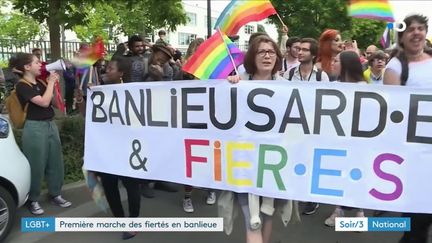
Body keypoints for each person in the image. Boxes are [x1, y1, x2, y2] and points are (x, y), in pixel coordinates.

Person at [227, 35, 300, 243]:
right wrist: (230, 86)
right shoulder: (239, 81)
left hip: (274, 163)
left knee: (267, 215)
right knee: (252, 219)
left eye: (271, 52)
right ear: (252, 56)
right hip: (244, 162)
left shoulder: (287, 87)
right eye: (261, 52)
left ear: (277, 57)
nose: (267, 56)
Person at [75, 56, 141, 240]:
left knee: (131, 186)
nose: (106, 71)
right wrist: (81, 100)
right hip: (107, 151)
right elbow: (88, 117)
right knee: (109, 186)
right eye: (106, 68)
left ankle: (134, 222)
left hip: (128, 150)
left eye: (111, 68)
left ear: (121, 73)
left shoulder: (133, 92)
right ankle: (122, 222)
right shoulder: (99, 92)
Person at [383, 14, 432, 243]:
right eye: (410, 30)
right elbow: (392, 114)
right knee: (417, 222)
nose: (416, 33)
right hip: (414, 158)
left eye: (420, 28)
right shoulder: (395, 67)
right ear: (401, 38)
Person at [10, 52, 71, 215]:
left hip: (50, 125)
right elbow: (43, 103)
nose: (41, 65)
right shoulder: (22, 86)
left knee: (55, 162)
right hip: (34, 128)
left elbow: (54, 103)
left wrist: (54, 85)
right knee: (36, 164)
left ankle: (55, 194)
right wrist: (51, 82)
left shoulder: (41, 82)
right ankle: (33, 199)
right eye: (37, 62)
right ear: (27, 67)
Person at [324, 50, 366, 227]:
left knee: (359, 174)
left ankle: (360, 212)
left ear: (347, 64)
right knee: (339, 174)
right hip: (338, 140)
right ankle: (338, 209)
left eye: (336, 60)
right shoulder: (334, 86)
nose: (332, 63)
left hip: (359, 142)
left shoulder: (365, 88)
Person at [181, 38, 217, 213]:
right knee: (190, 158)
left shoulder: (214, 72)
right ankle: (187, 196)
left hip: (210, 120)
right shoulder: (183, 73)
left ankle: (210, 189)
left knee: (209, 156)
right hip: (190, 120)